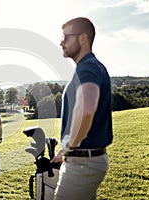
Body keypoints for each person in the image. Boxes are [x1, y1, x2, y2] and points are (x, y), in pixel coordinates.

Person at [51, 17, 113, 200]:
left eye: (66, 37)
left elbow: (86, 109)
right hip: (87, 161)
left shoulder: (87, 68)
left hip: (82, 164)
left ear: (83, 38)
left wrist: (70, 144)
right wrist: (63, 152)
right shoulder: (90, 67)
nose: (61, 42)